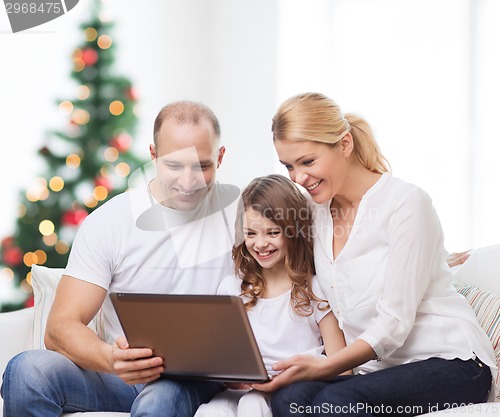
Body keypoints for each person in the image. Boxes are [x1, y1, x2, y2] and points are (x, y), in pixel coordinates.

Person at [253, 92, 497, 417]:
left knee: (334, 404)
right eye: (289, 166)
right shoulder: (314, 214)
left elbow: (393, 324)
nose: (298, 178)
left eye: (308, 162)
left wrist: (324, 367)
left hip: (453, 364)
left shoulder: (406, 204)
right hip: (378, 373)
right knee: (288, 399)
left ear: (344, 144)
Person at [1, 101, 240, 417]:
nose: (188, 181)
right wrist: (111, 358)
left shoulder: (245, 216)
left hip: (200, 379)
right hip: (122, 378)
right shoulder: (111, 221)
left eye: (202, 166)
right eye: (174, 166)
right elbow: (59, 327)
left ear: (220, 157)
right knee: (27, 371)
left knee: (160, 399)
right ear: (153, 155)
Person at [195, 174, 350, 417]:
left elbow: (342, 368)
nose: (260, 243)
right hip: (240, 390)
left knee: (253, 405)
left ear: (293, 231)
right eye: (251, 233)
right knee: (210, 412)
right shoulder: (232, 289)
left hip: (289, 392)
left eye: (272, 232)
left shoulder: (315, 290)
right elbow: (222, 357)